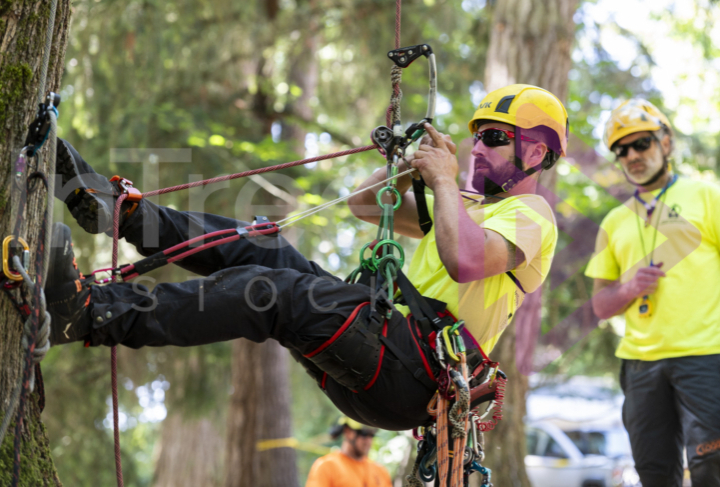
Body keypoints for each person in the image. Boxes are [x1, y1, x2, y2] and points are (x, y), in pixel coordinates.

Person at [46, 84, 564, 431]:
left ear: (536, 154)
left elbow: (466, 262)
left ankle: (91, 313)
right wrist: (406, 168)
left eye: (495, 139)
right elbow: (367, 205)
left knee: (276, 293)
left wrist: (445, 181)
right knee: (263, 249)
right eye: (477, 136)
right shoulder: (465, 207)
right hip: (385, 342)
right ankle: (123, 215)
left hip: (416, 375)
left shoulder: (534, 216)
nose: (477, 147)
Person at [585, 98, 720, 486]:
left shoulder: (706, 197)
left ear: (666, 143)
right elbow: (600, 305)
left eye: (641, 143)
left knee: (712, 469)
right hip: (640, 367)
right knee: (655, 474)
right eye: (621, 150)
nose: (631, 155)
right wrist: (629, 288)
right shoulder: (614, 222)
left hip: (705, 358)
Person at [304, 417, 391, 487]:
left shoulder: (380, 471)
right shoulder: (326, 466)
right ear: (348, 431)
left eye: (371, 435)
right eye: (364, 434)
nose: (368, 441)